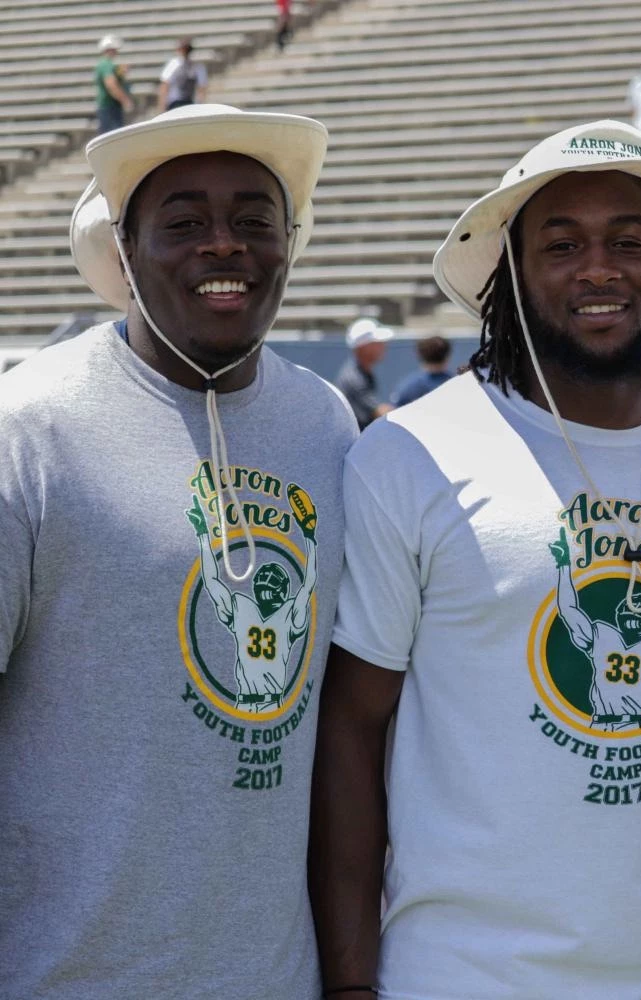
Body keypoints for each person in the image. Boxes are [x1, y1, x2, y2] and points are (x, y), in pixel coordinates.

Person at [308, 119, 641, 1000]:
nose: (599, 267)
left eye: (629, 241)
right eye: (562, 244)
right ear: (512, 270)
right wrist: (353, 984)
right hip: (459, 977)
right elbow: (352, 728)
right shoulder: (414, 456)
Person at [0, 103, 355, 998]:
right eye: (185, 222)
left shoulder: (327, 425)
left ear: (290, 244)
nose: (225, 245)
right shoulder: (31, 429)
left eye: (252, 221)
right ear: (124, 250)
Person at [337, 317, 394, 429]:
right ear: (364, 347)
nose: (384, 346)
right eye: (377, 342)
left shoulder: (362, 371)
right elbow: (381, 413)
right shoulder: (354, 378)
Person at [390, 335, 453, 407]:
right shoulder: (455, 384)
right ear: (448, 355)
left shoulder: (408, 387)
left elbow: (395, 411)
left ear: (419, 354)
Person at [94, 35, 133, 135]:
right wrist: (125, 100)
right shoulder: (106, 65)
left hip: (110, 106)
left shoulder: (105, 64)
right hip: (110, 107)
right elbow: (111, 84)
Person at [158, 37, 208, 112]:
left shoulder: (175, 64)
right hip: (177, 103)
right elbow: (202, 87)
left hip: (185, 102)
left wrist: (162, 106)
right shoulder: (176, 64)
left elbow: (164, 85)